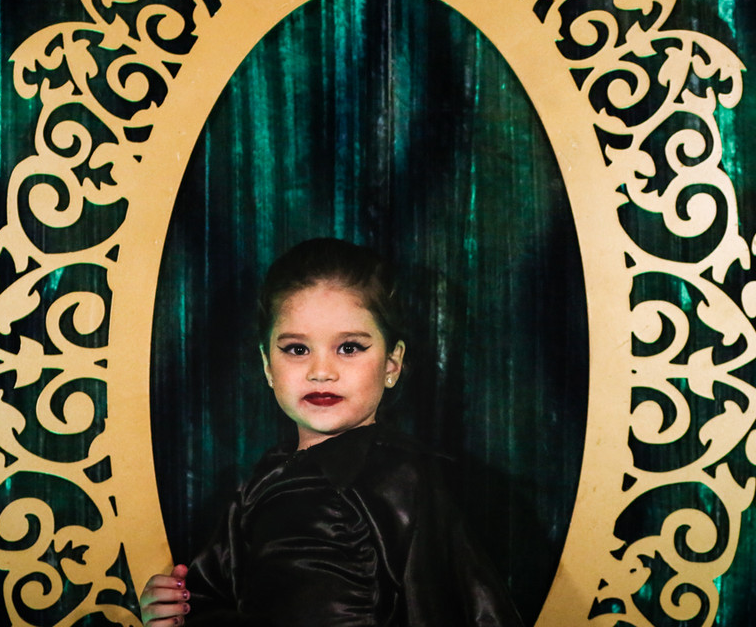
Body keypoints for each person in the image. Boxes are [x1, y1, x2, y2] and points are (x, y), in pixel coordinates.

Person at [139, 238, 523, 626]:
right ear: (267, 365)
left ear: (392, 363)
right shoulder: (265, 479)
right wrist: (174, 609)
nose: (321, 372)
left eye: (349, 348)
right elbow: (215, 593)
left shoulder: (393, 482)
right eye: (297, 349)